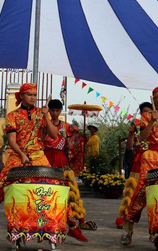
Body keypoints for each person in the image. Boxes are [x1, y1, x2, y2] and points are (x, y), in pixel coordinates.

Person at [0, 83, 59, 243]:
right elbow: (12, 140)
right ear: (21, 96)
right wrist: (22, 155)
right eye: (29, 94)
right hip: (17, 156)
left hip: (39, 156)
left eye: (35, 95)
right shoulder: (12, 115)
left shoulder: (42, 113)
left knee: (53, 189)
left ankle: (66, 227)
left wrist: (45, 116)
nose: (33, 98)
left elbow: (54, 135)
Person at [120, 86, 158, 247]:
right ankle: (128, 227)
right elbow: (143, 137)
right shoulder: (146, 116)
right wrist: (152, 122)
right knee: (141, 191)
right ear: (153, 99)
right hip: (151, 156)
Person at [43, 99, 92, 240]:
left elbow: (72, 145)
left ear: (60, 111)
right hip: (46, 159)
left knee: (69, 192)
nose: (54, 113)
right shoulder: (43, 123)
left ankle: (78, 219)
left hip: (61, 161)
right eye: (52, 110)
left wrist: (70, 140)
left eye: (57, 111)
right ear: (49, 110)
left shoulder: (67, 127)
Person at [115, 102, 152, 229]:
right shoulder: (138, 129)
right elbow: (129, 147)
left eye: (148, 112)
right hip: (139, 164)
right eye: (143, 112)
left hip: (154, 163)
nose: (146, 114)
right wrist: (131, 134)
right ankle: (125, 216)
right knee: (132, 191)